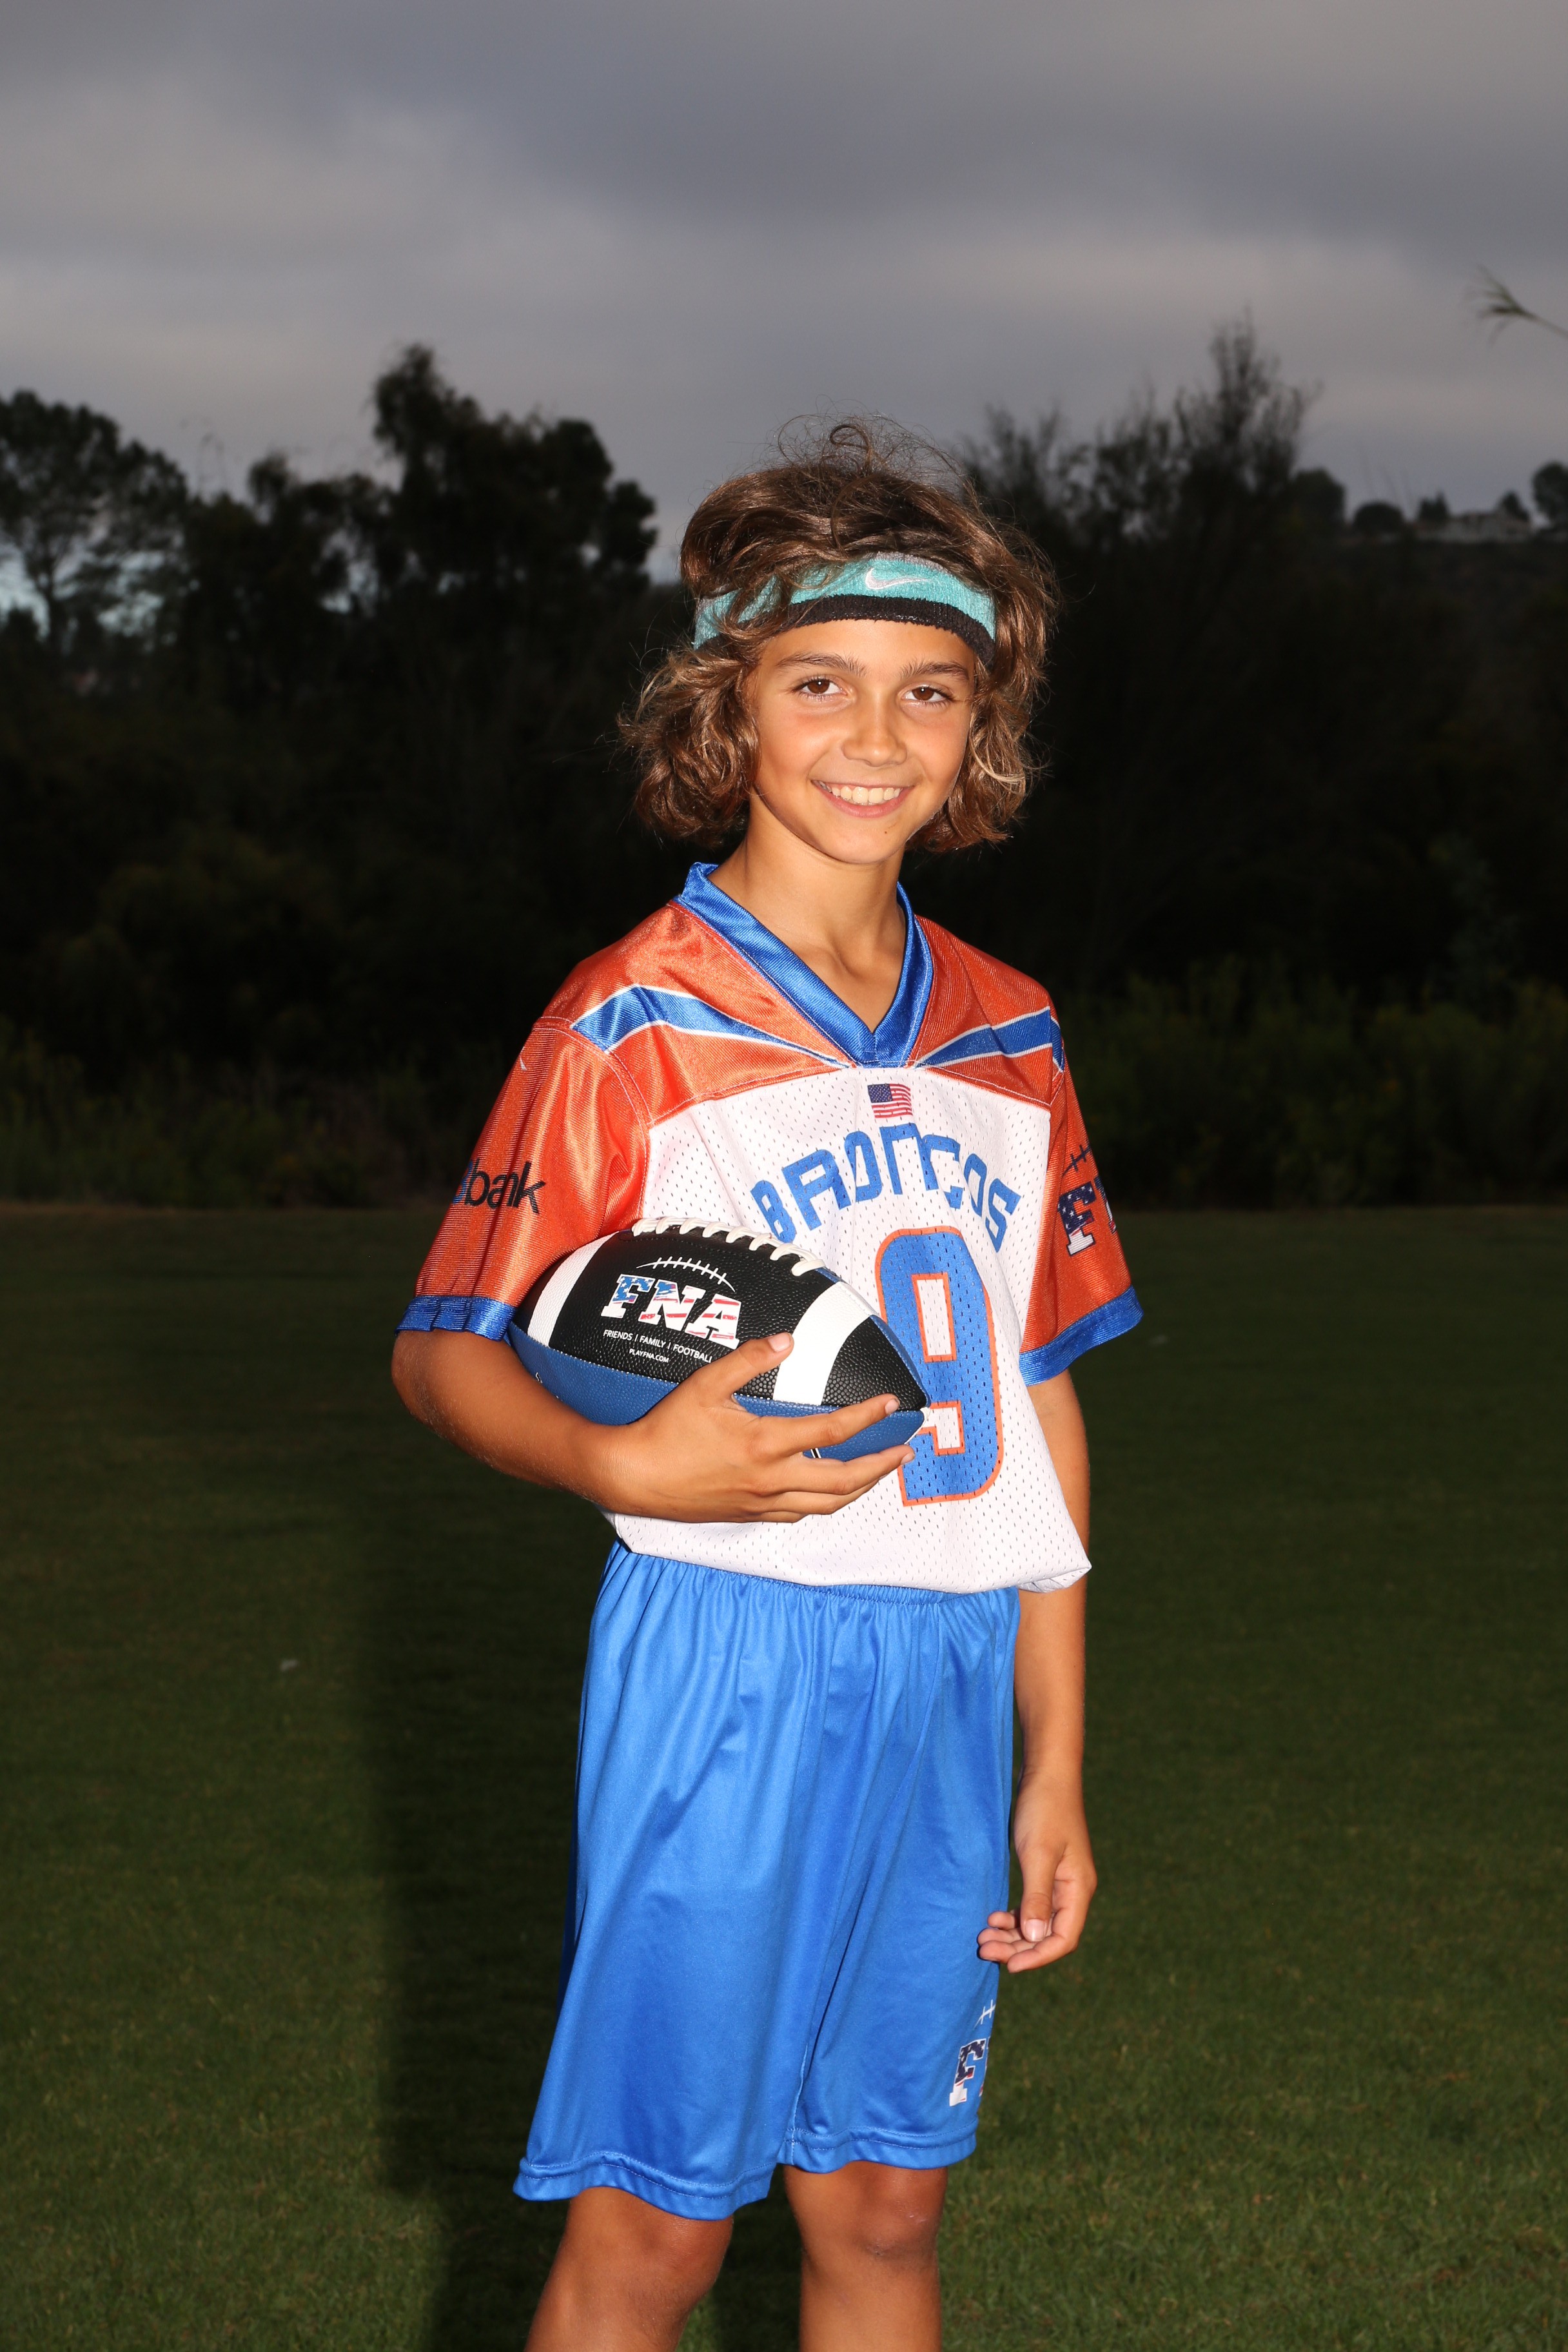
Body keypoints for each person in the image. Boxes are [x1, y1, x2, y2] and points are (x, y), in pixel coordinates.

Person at [391, 422, 1142, 2351]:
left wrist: (1056, 1758)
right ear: (729, 707)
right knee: (657, 2233)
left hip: (954, 1669)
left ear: (983, 725)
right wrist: (626, 1460)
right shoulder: (632, 1018)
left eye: (929, 692)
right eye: (820, 685)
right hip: (728, 1658)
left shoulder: (1013, 1028)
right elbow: (440, 1351)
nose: (875, 737)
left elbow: (1038, 1411)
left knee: (887, 2206)